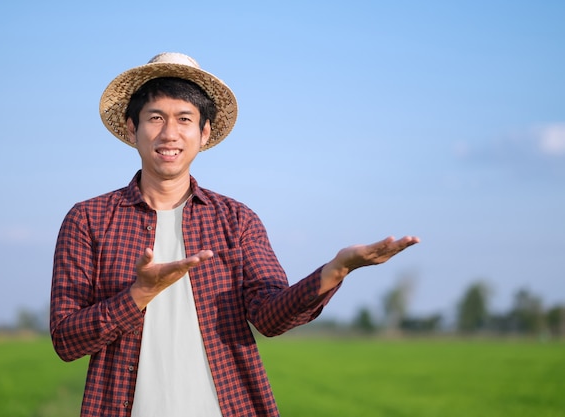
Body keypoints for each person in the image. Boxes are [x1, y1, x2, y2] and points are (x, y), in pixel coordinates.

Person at [50, 52, 420, 417]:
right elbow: (66, 340)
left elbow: (269, 318)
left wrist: (336, 270)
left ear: (204, 132)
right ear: (133, 128)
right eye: (155, 118)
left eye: (184, 119)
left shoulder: (236, 221)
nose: (169, 133)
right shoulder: (89, 220)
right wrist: (138, 294)